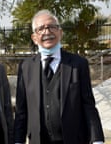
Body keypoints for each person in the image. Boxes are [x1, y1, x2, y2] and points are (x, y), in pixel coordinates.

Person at [14, 9, 105, 144]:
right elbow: (21, 110)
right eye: (41, 29)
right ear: (34, 38)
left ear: (60, 32)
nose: (47, 32)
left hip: (73, 139)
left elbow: (88, 105)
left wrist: (97, 139)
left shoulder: (78, 64)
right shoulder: (25, 67)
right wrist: (18, 140)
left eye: (52, 27)